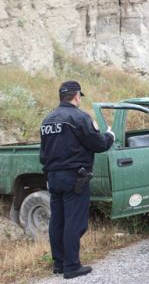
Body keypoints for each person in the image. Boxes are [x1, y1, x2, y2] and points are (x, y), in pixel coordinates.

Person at [40, 80, 115, 279]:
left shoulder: (47, 120)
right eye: (80, 96)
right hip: (75, 178)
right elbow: (98, 144)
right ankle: (72, 266)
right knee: (74, 222)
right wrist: (109, 136)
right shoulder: (79, 117)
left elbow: (43, 153)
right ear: (76, 96)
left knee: (57, 220)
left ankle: (59, 264)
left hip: (53, 177)